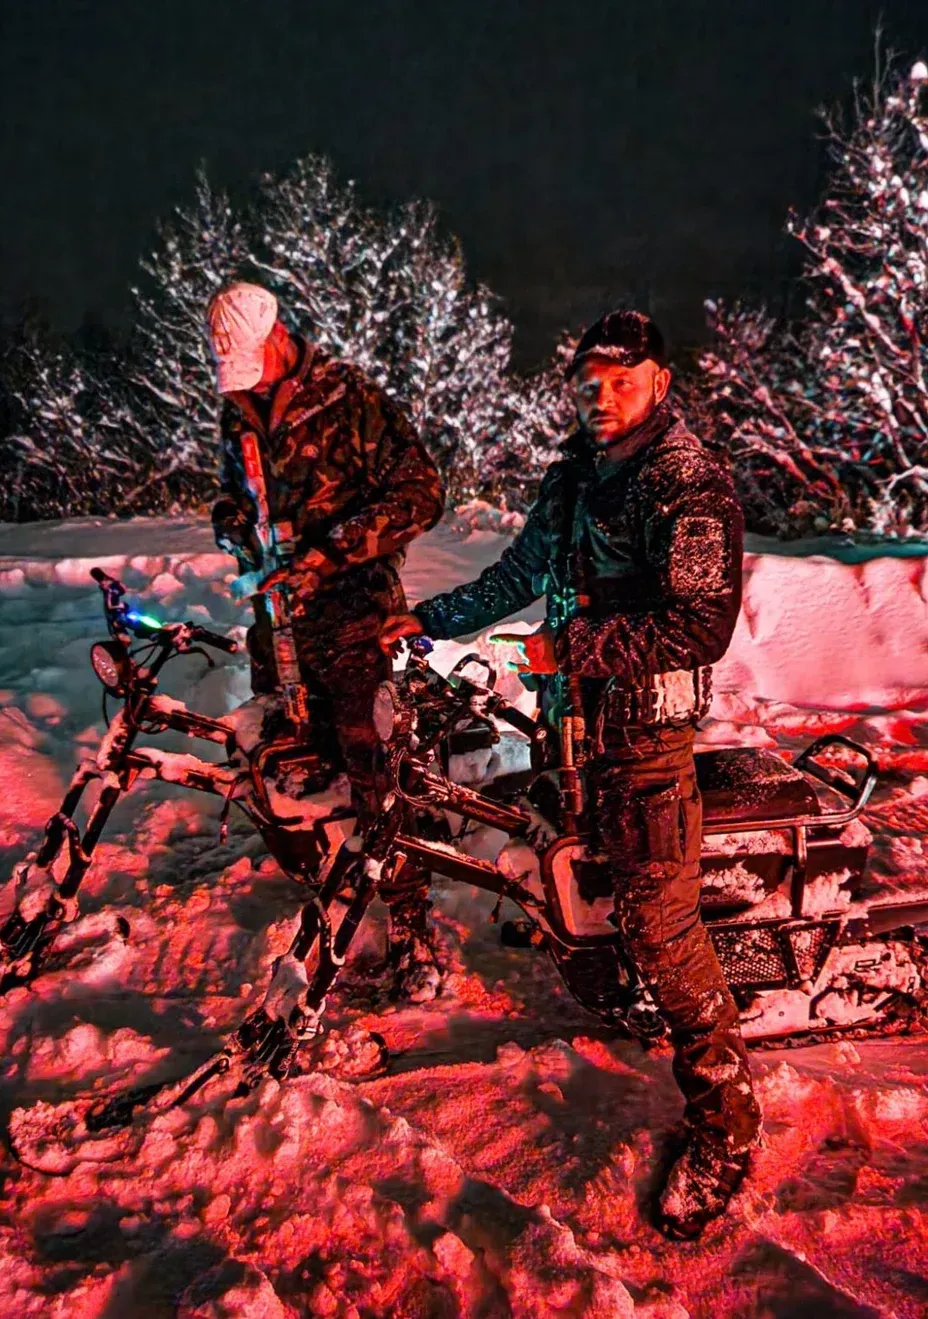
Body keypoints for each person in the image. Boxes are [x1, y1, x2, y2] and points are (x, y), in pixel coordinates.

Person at [380, 309, 762, 1239]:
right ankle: (609, 972)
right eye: (587, 383)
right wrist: (431, 618)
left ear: (659, 384)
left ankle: (727, 1123)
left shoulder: (688, 483)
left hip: (648, 730)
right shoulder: (577, 477)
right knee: (573, 857)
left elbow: (699, 627)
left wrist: (575, 646)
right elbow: (518, 572)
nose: (601, 398)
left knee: (659, 920)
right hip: (580, 726)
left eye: (621, 381)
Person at [208, 281, 447, 1001]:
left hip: (354, 614)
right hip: (280, 627)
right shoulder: (238, 411)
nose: (244, 383)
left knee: (373, 765)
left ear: (279, 334)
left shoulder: (348, 398)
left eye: (253, 362)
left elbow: (421, 492)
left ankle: (412, 925)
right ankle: (329, 886)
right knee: (294, 761)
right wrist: (232, 523)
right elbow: (230, 491)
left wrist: (329, 552)